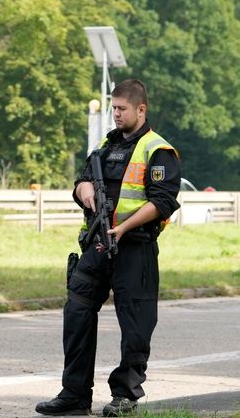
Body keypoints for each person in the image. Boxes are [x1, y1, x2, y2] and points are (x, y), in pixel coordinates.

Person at [35, 79, 181, 417]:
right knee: (76, 314)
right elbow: (83, 179)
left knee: (136, 325)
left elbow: (163, 201)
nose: (115, 114)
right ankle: (73, 394)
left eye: (121, 109)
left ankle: (125, 395)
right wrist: (83, 190)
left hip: (134, 248)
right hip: (98, 246)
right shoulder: (105, 146)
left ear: (141, 110)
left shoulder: (158, 150)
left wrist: (124, 226)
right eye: (113, 108)